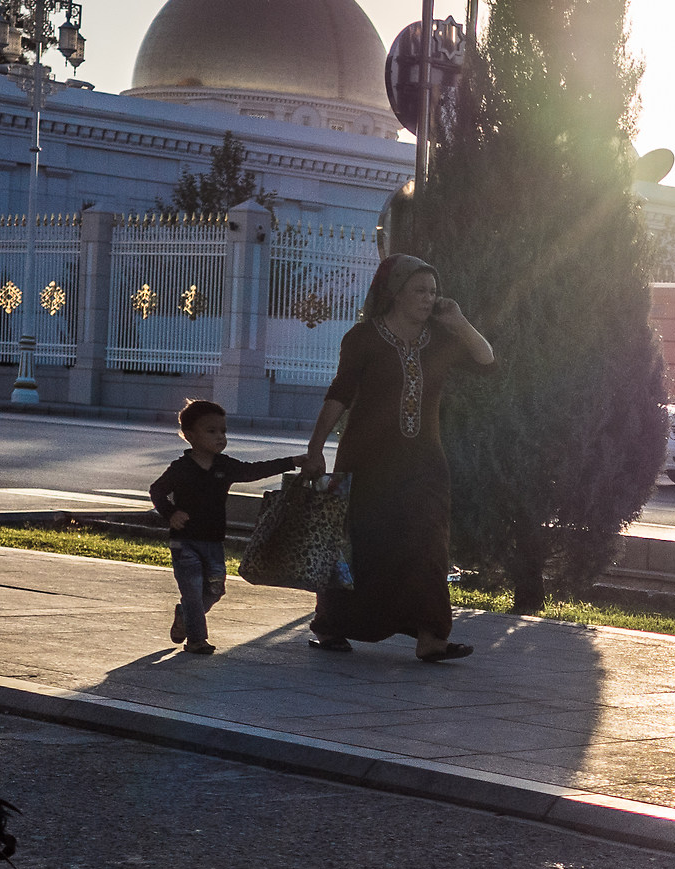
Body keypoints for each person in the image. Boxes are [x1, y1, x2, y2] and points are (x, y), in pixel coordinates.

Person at [301, 254, 495, 661]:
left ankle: (431, 636)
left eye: (433, 291)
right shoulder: (363, 338)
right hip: (368, 462)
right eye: (419, 290)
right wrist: (316, 447)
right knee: (363, 545)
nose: (429, 298)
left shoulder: (440, 339)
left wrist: (457, 320)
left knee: (428, 543)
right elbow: (340, 393)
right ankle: (333, 623)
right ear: (394, 293)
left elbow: (486, 361)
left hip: (425, 462)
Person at [148, 399, 302, 656]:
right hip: (184, 542)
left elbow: (255, 471)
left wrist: (293, 461)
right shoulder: (181, 468)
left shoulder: (225, 466)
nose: (220, 437)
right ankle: (196, 640)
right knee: (193, 592)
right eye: (211, 431)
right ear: (189, 435)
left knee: (216, 590)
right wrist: (171, 513)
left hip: (214, 542)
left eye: (223, 431)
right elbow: (157, 491)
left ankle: (185, 615)